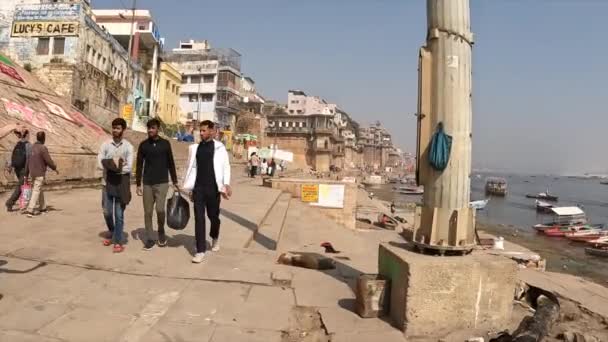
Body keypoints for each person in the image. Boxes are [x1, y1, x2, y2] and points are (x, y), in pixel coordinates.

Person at [183, 120, 231, 263]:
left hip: (213, 188)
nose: (201, 133)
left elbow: (226, 166)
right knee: (199, 218)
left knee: (213, 217)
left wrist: (226, 184)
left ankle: (214, 236)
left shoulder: (219, 147)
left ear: (211, 131)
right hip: (199, 188)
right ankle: (200, 250)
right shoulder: (195, 148)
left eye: (204, 130)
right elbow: (191, 169)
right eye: (200, 131)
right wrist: (191, 188)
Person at [136, 118, 179, 250]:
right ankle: (149, 238)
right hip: (148, 183)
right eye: (149, 128)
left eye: (153, 128)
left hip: (162, 182)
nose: (150, 130)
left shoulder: (165, 144)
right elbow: (139, 165)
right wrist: (138, 184)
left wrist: (175, 181)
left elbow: (171, 162)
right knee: (147, 212)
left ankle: (161, 231)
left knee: (160, 209)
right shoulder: (143, 145)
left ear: (158, 129)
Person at [97, 118, 134, 253]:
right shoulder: (105, 145)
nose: (115, 130)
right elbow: (100, 163)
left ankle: (118, 241)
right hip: (106, 183)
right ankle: (113, 232)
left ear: (123, 130)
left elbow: (128, 167)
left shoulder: (128, 147)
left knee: (119, 215)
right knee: (107, 212)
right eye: (113, 128)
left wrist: (110, 164)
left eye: (118, 128)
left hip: (120, 185)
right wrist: (117, 164)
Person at [24, 131, 58, 217]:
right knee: (36, 190)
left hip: (32, 172)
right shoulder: (43, 148)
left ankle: (43, 208)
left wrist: (26, 173)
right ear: (44, 138)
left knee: (39, 189)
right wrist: (54, 168)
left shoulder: (31, 148)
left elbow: (27, 161)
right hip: (39, 172)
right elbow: (48, 160)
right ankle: (30, 210)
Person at [5, 128, 31, 212]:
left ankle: (23, 204)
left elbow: (12, 156)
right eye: (29, 134)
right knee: (21, 187)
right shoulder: (28, 145)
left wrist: (10, 166)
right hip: (24, 168)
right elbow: (30, 158)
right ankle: (10, 202)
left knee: (23, 186)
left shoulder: (17, 144)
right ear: (26, 135)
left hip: (17, 168)